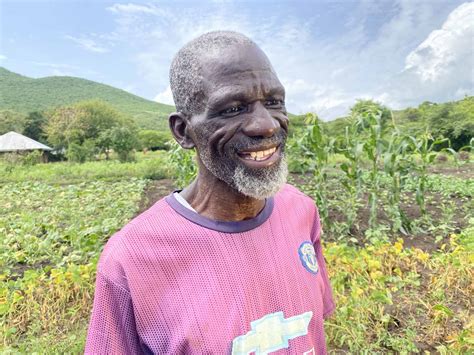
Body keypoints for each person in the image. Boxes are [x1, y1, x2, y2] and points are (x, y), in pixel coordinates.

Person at [85, 31, 335, 354]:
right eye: (232, 109)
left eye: (274, 102)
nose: (267, 125)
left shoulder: (302, 212)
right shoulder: (130, 261)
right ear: (183, 131)